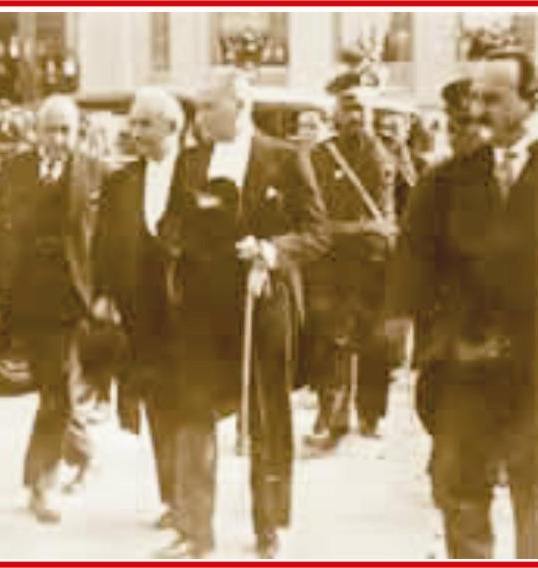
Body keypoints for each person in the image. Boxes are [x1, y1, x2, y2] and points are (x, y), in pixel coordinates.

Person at [159, 70, 327, 559]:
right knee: (194, 414)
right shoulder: (190, 161)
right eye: (197, 107)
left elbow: (317, 232)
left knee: (266, 417)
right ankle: (196, 531)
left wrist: (271, 251)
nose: (198, 117)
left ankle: (268, 526)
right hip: (202, 309)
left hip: (262, 301)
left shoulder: (284, 157)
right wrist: (182, 242)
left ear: (239, 104)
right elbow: (171, 222)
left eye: (208, 106)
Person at [389, 49, 538, 559]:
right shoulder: (446, 180)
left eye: (493, 99)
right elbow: (411, 265)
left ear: (532, 100)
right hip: (465, 367)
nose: (477, 110)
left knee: (536, 493)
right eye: (474, 97)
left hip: (537, 371)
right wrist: (434, 341)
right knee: (460, 491)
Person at [0, 95, 108, 524]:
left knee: (56, 390)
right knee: (53, 384)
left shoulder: (95, 171)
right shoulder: (14, 169)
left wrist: (105, 293)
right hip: (24, 295)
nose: (58, 139)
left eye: (66, 130)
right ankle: (85, 453)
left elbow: (104, 239)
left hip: (71, 299)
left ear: (77, 132)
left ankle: (41, 482)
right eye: (50, 129)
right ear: (36, 131)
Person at [92, 87, 185, 531]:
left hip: (192, 313)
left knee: (193, 407)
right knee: (159, 406)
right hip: (141, 316)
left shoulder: (199, 173)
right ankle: (173, 498)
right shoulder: (120, 181)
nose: (134, 132)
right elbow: (104, 244)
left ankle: (192, 499)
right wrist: (103, 295)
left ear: (173, 126)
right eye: (132, 123)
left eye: (145, 124)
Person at [301, 88, 397, 448]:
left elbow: (402, 206)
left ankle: (371, 415)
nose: (356, 116)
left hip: (375, 262)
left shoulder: (389, 152)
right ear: (336, 115)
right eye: (349, 109)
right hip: (332, 262)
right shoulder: (320, 156)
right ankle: (331, 417)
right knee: (330, 341)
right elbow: (311, 208)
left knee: (375, 342)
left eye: (362, 109)